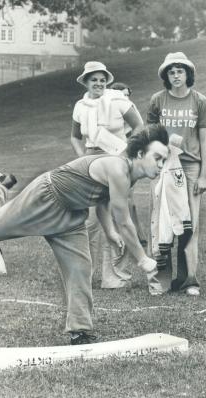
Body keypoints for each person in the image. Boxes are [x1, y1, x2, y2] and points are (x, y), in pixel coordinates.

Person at [0, 124, 169, 343]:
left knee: (80, 268)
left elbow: (103, 201)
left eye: (164, 160)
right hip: (47, 197)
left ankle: (81, 331)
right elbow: (125, 221)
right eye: (158, 158)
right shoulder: (118, 168)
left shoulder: (130, 175)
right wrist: (143, 260)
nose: (161, 165)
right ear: (141, 154)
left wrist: (110, 233)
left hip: (72, 216)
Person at [71, 61, 143, 290]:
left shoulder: (117, 99)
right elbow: (75, 136)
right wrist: (82, 156)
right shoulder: (80, 105)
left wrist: (126, 153)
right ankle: (86, 273)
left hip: (117, 161)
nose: (99, 84)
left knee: (116, 216)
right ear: (86, 82)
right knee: (90, 221)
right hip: (91, 164)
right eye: (94, 79)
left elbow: (139, 126)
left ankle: (114, 275)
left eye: (102, 79)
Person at [147, 52, 206, 296]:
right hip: (163, 166)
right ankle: (161, 280)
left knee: (190, 223)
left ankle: (189, 280)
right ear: (166, 75)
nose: (176, 75)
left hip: (190, 166)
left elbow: (204, 139)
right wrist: (153, 162)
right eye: (171, 72)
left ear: (188, 74)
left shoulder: (199, 100)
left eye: (180, 71)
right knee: (162, 222)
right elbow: (149, 134)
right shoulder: (157, 100)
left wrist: (205, 173)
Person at [110, 81, 147, 246]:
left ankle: (137, 234)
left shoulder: (130, 109)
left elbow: (139, 129)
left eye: (127, 95)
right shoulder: (111, 110)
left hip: (126, 155)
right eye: (122, 95)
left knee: (129, 197)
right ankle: (125, 233)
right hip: (110, 156)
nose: (126, 98)